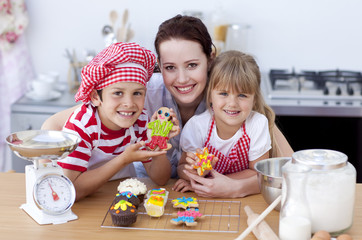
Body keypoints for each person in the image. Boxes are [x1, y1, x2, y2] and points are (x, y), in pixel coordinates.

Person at [41, 15, 293, 193]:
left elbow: (288, 166)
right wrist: (50, 176)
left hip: (204, 195)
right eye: (170, 68)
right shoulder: (140, 93)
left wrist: (237, 186)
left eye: (192, 65)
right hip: (148, 192)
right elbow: (54, 123)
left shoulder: (228, 98)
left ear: (210, 59)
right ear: (159, 66)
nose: (182, 79)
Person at [56, 42, 178, 201]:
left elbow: (161, 179)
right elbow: (71, 190)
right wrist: (123, 159)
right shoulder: (82, 126)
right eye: (118, 93)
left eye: (137, 93)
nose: (129, 103)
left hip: (118, 197)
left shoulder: (140, 120)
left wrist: (158, 141)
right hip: (84, 204)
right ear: (95, 97)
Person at [174, 50, 273, 198]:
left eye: (242, 95)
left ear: (254, 98)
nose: (232, 103)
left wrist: (216, 184)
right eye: (224, 94)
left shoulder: (257, 124)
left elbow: (258, 174)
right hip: (206, 198)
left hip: (244, 198)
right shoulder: (197, 126)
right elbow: (181, 168)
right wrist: (195, 174)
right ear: (210, 95)